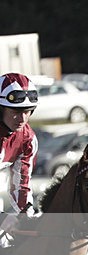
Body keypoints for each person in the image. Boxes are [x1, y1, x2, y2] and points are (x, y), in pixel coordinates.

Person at [0, 73, 39, 245]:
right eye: (15, 111)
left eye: (27, 111)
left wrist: (27, 214)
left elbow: (22, 184)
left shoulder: (27, 139)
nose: (22, 119)